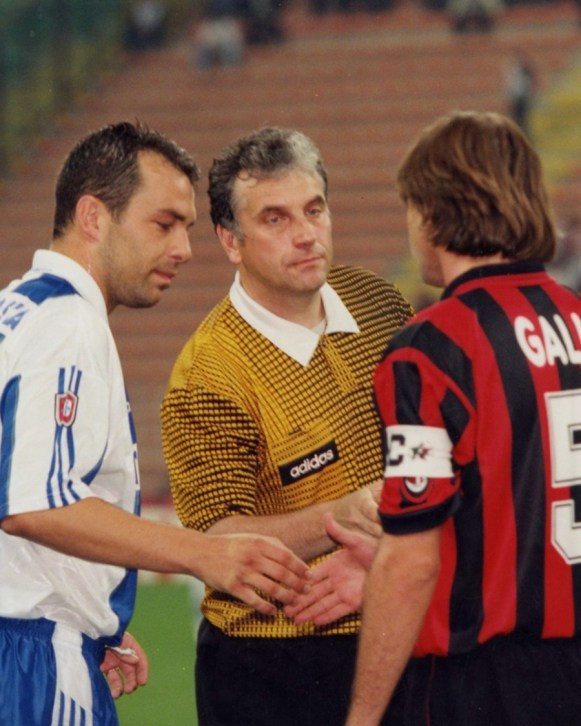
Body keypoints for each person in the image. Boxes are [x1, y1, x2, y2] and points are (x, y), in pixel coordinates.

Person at [0, 121, 310, 726]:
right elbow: (35, 503)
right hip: (31, 661)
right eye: (163, 224)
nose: (184, 249)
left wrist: (90, 610)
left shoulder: (19, 311)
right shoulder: (67, 326)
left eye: (187, 227)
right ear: (94, 217)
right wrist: (202, 554)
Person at [288, 110, 581, 726]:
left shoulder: (431, 349)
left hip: (482, 686)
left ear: (431, 212)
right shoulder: (575, 319)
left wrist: (363, 717)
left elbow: (414, 560)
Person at [160, 125, 413, 726]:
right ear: (231, 241)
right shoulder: (207, 375)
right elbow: (216, 537)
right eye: (275, 219)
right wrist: (340, 518)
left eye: (314, 210)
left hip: (401, 625)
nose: (305, 235)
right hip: (273, 664)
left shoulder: (381, 305)